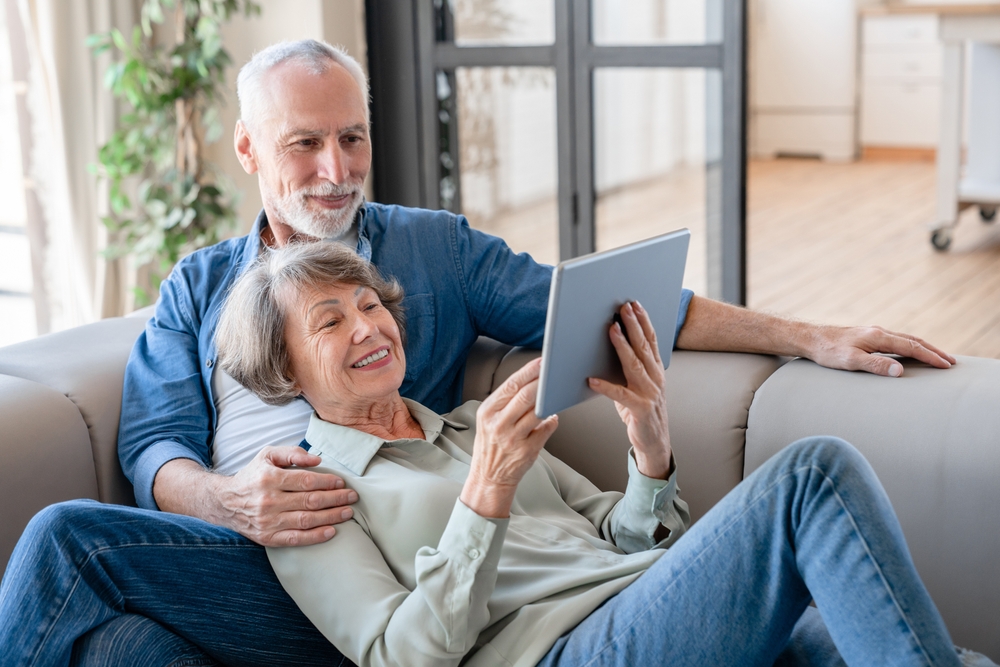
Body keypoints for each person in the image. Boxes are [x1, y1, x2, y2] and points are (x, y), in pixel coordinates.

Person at [0, 39, 958, 666]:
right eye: (304, 145)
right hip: (262, 550)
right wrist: (229, 498)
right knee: (83, 579)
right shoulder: (199, 288)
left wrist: (806, 335)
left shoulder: (434, 265)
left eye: (353, 138)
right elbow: (154, 443)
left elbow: (605, 307)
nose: (334, 170)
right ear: (249, 151)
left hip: (413, 558)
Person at [214, 240, 992, 667]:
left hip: (654, 611)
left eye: (371, 303)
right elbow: (403, 658)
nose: (368, 326)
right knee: (811, 476)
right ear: (284, 369)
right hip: (568, 650)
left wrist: (649, 444)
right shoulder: (310, 498)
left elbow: (623, 538)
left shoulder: (476, 420)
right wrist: (483, 496)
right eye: (329, 321)